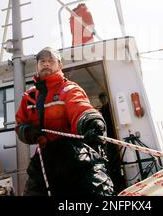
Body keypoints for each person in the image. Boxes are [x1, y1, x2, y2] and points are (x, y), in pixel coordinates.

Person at [15, 47, 114, 196]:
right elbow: (20, 124)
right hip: (43, 158)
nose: (46, 64)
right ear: (37, 65)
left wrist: (91, 121)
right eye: (42, 61)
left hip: (74, 155)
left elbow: (80, 108)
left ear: (59, 65)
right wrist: (28, 132)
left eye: (51, 61)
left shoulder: (69, 89)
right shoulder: (29, 96)